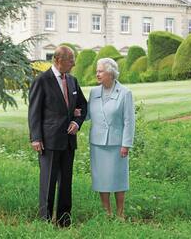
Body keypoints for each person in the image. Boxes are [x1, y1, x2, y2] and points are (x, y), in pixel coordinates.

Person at [28, 45, 87, 227]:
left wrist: (77, 122)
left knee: (66, 182)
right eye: (71, 60)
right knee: (48, 182)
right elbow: (34, 112)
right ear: (58, 60)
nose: (74, 63)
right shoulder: (42, 80)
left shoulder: (72, 80)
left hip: (69, 141)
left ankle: (64, 221)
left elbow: (83, 106)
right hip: (49, 141)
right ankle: (44, 221)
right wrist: (35, 138)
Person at [86, 57, 135, 218]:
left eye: (100, 71)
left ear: (110, 73)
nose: (97, 74)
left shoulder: (125, 93)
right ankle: (107, 213)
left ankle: (120, 214)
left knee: (118, 178)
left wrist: (126, 144)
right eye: (97, 71)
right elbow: (86, 115)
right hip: (97, 143)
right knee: (101, 179)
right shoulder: (93, 92)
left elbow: (129, 121)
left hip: (117, 144)